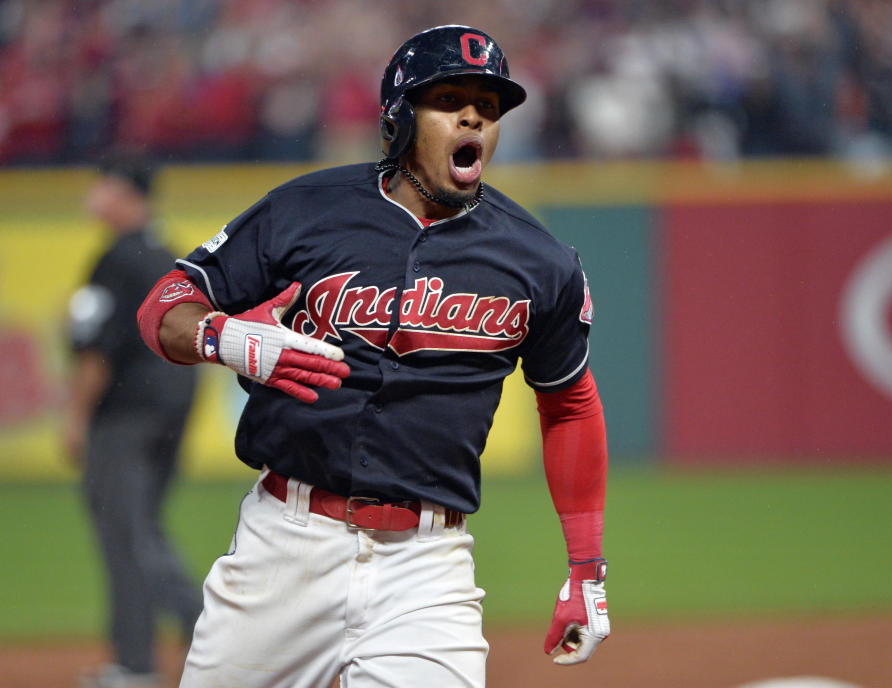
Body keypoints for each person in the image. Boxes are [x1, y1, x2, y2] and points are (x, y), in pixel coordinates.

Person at [136, 25, 609, 688]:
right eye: (449, 98)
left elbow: (570, 403)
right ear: (398, 119)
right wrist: (227, 338)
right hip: (284, 546)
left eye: (489, 106)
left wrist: (587, 567)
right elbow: (165, 304)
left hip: (426, 565)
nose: (474, 115)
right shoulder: (304, 211)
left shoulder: (539, 261)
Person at [64, 153, 203, 688]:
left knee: (125, 533)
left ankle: (151, 654)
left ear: (125, 194)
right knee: (141, 529)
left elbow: (95, 351)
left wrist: (75, 416)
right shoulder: (168, 256)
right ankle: (162, 644)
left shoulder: (117, 258)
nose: (93, 197)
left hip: (125, 415)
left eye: (101, 186)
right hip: (172, 409)